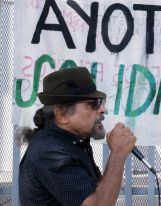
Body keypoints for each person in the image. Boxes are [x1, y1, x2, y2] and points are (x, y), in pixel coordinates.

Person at [18, 67, 136, 206]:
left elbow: (96, 191)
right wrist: (117, 154)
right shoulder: (50, 152)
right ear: (62, 115)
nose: (102, 109)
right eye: (92, 104)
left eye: (100, 102)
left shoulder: (71, 142)